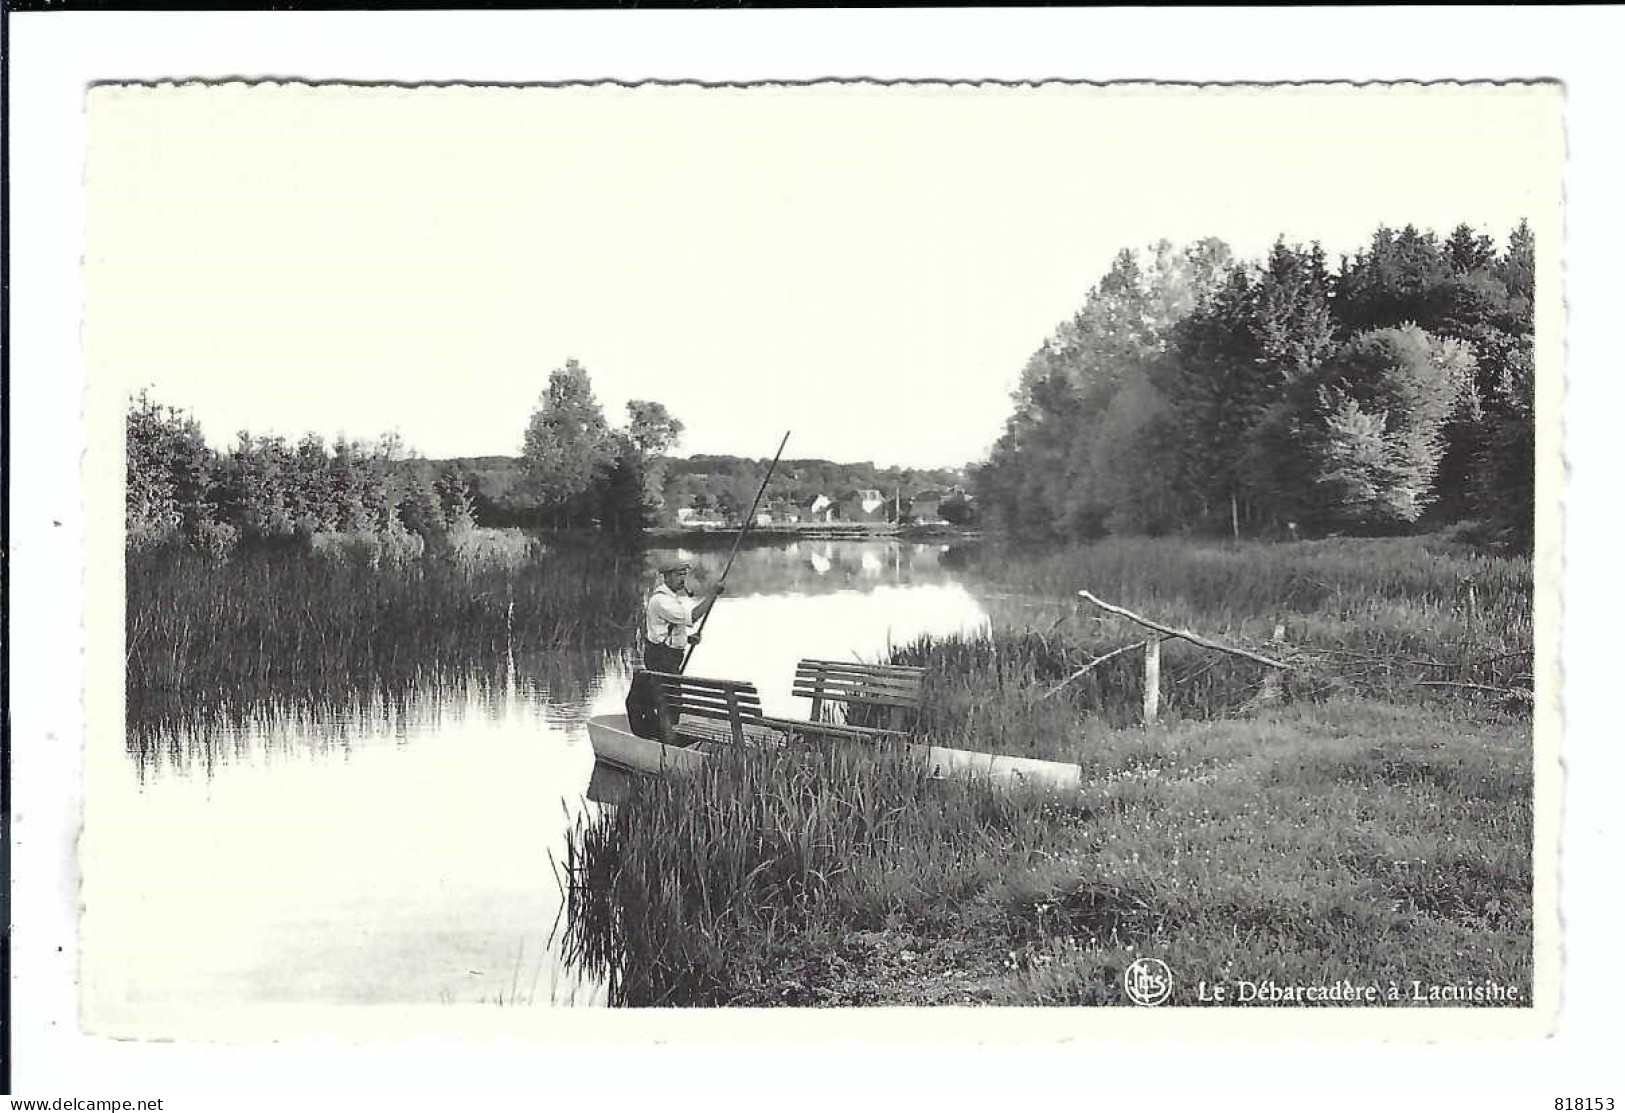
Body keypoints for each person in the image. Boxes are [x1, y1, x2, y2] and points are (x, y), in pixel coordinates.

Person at [642, 559, 723, 674]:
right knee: (670, 690)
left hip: (667, 658)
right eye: (678, 575)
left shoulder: (670, 598)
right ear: (667, 577)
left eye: (684, 575)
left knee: (671, 691)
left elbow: (665, 631)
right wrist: (712, 594)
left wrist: (687, 639)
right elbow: (692, 617)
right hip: (661, 659)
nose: (682, 579)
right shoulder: (661, 600)